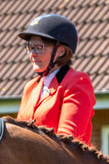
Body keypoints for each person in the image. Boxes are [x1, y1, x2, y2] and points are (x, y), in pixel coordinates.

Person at [16, 14, 95, 144]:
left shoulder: (77, 81)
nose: (32, 54)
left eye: (39, 47)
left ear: (61, 51)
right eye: (30, 47)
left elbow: (68, 141)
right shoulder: (30, 87)